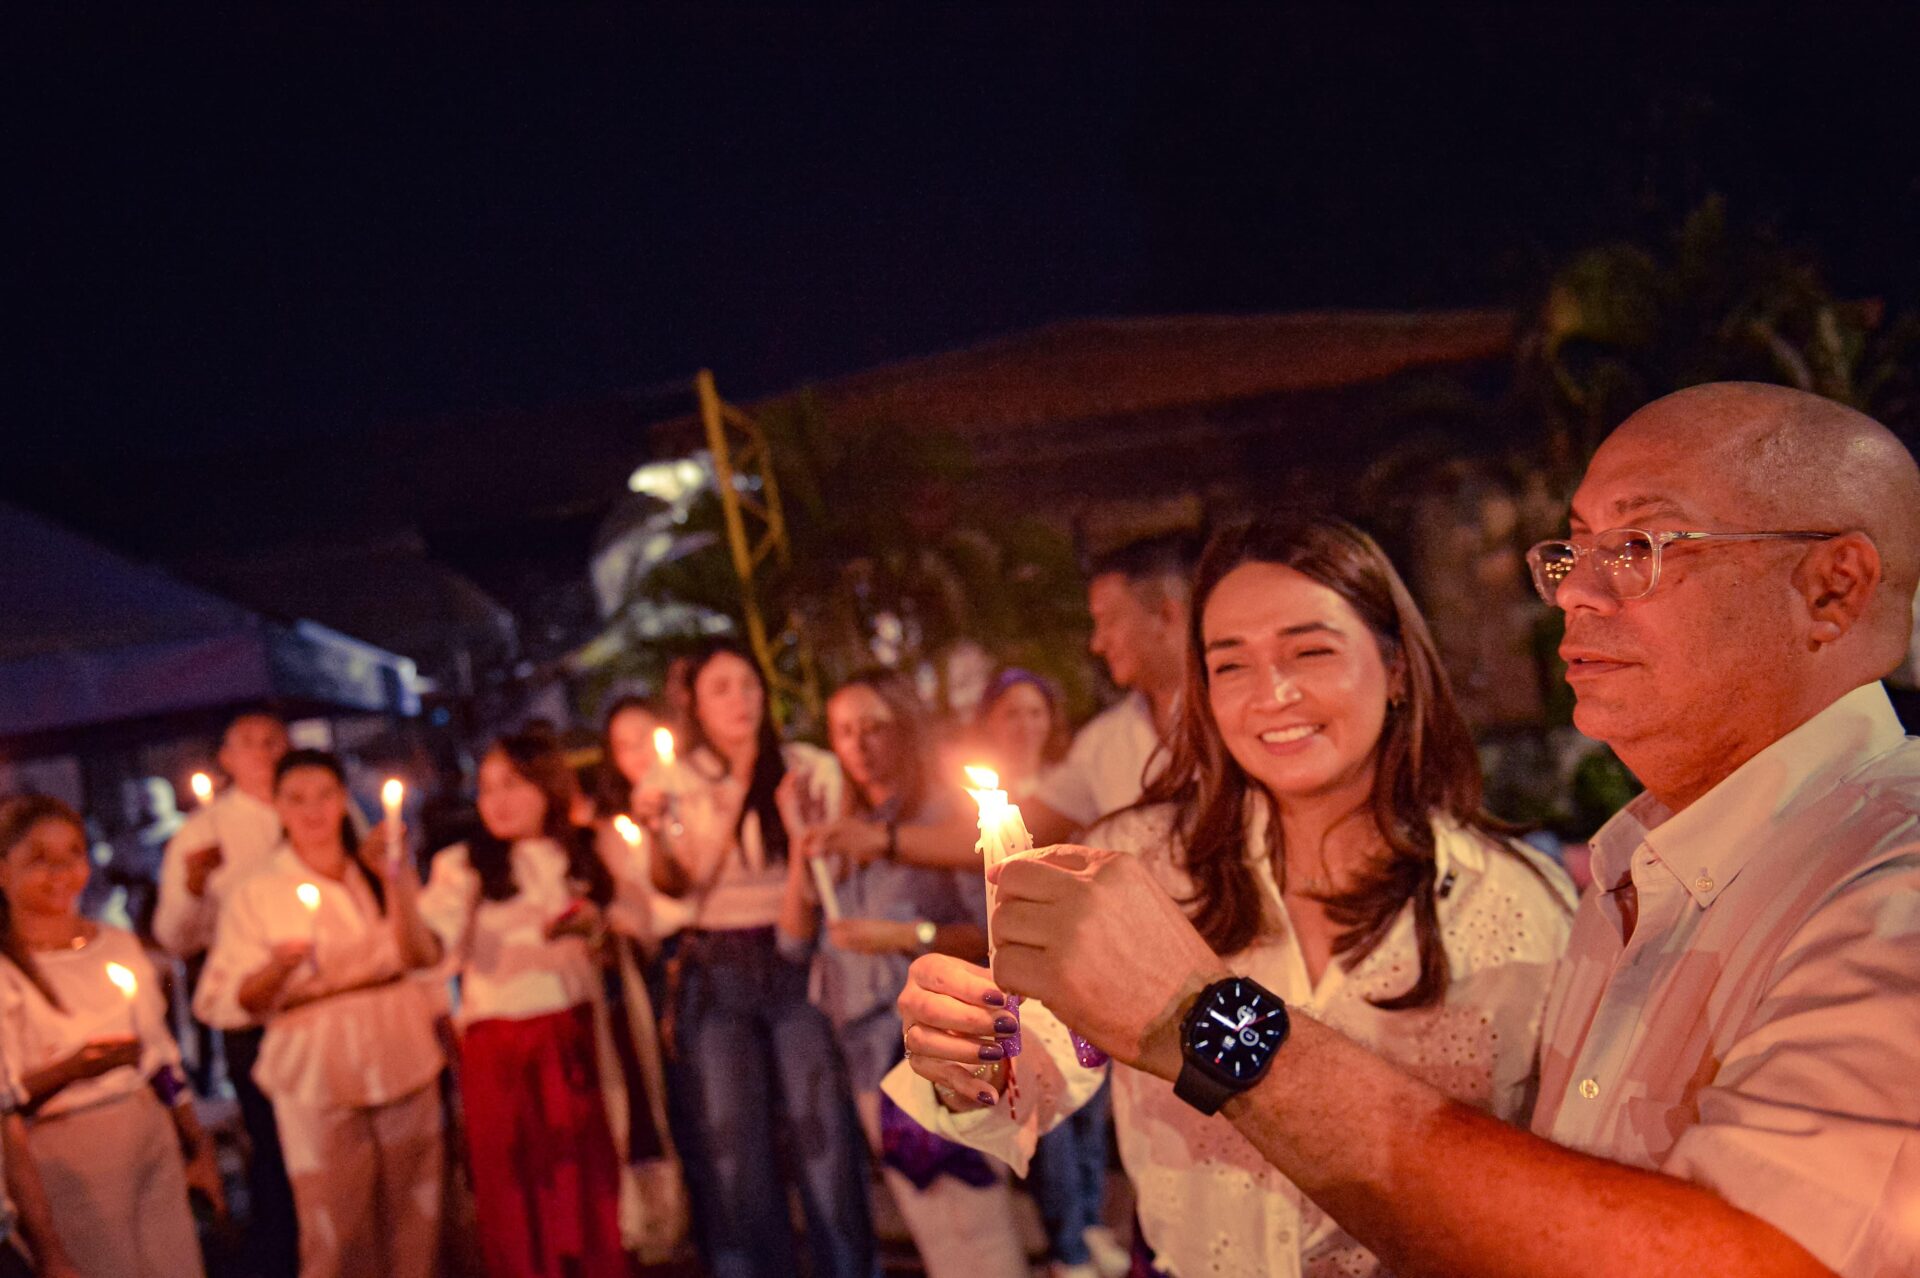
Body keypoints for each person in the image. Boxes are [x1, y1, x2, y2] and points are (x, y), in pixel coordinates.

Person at [944, 384, 1920, 1278]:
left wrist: (1208, 1021)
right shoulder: (1635, 886)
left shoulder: (1863, 879)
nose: (1575, 590)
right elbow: (1020, 1089)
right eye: (1229, 663)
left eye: (1639, 548)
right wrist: (965, 1055)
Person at [890, 513, 1576, 1276]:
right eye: (1231, 665)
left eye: (1309, 651)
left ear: (1398, 670)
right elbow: (1041, 1073)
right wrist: (971, 1060)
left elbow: (1554, 1189)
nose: (1271, 694)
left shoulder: (1517, 905)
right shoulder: (1137, 866)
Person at [636, 641, 876, 1278]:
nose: (740, 700)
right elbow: (674, 886)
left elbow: (836, 868)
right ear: (695, 704)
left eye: (748, 685)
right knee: (734, 1143)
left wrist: (795, 820)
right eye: (721, 689)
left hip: (796, 959)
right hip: (716, 964)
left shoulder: (806, 767)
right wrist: (664, 832)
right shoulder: (675, 781)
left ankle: (847, 1265)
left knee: (820, 1128)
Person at [782, 671, 1026, 1278]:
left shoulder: (939, 823)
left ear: (904, 730)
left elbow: (990, 937)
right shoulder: (838, 831)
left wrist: (902, 937)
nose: (859, 745)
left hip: (944, 1040)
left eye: (873, 727)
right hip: (867, 1049)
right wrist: (798, 843)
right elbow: (792, 944)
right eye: (843, 732)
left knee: (977, 1218)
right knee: (931, 1227)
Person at [387, 727, 629, 1278]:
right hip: (498, 1048)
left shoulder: (590, 852)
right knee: (514, 1195)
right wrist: (396, 886)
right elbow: (424, 951)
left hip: (572, 1039)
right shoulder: (465, 866)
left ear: (549, 787)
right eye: (486, 787)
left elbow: (633, 935)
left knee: (585, 1189)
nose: (495, 801)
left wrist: (596, 931)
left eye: (512, 785)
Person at [195, 750, 445, 1278]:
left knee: (416, 1210)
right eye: (297, 799)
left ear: (343, 801)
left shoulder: (374, 869)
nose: (313, 812)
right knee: (335, 1219)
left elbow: (423, 956)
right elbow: (226, 1000)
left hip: (397, 1043)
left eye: (325, 796)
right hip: (316, 1063)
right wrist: (278, 970)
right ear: (279, 809)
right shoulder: (257, 891)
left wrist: (397, 877)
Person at [0, 796, 218, 1278]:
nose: (62, 871)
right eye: (40, 859)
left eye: (73, 853)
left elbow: (161, 1056)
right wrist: (75, 1068)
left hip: (148, 1132)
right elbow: (7, 1099)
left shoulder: (115, 945)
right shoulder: (7, 973)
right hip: (70, 1155)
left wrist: (196, 1145)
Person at [974, 669, 1122, 1278]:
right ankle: (1067, 1247)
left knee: (1091, 1103)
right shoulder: (986, 809)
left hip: (1083, 974)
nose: (1026, 725)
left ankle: (1088, 1223)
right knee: (1050, 1111)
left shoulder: (1074, 790)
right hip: (1025, 987)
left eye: (1036, 712)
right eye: (1011, 713)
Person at [152, 709, 299, 1272]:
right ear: (226, 760)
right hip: (250, 1009)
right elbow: (173, 935)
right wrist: (192, 888)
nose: (263, 754)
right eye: (249, 744)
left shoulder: (311, 809)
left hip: (319, 996)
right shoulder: (202, 834)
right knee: (271, 1138)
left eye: (273, 741)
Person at [1022, 534, 1196, 846]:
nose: (1097, 644)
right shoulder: (1105, 741)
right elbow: (1025, 826)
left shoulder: (1241, 719)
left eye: (1109, 621)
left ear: (1167, 615)